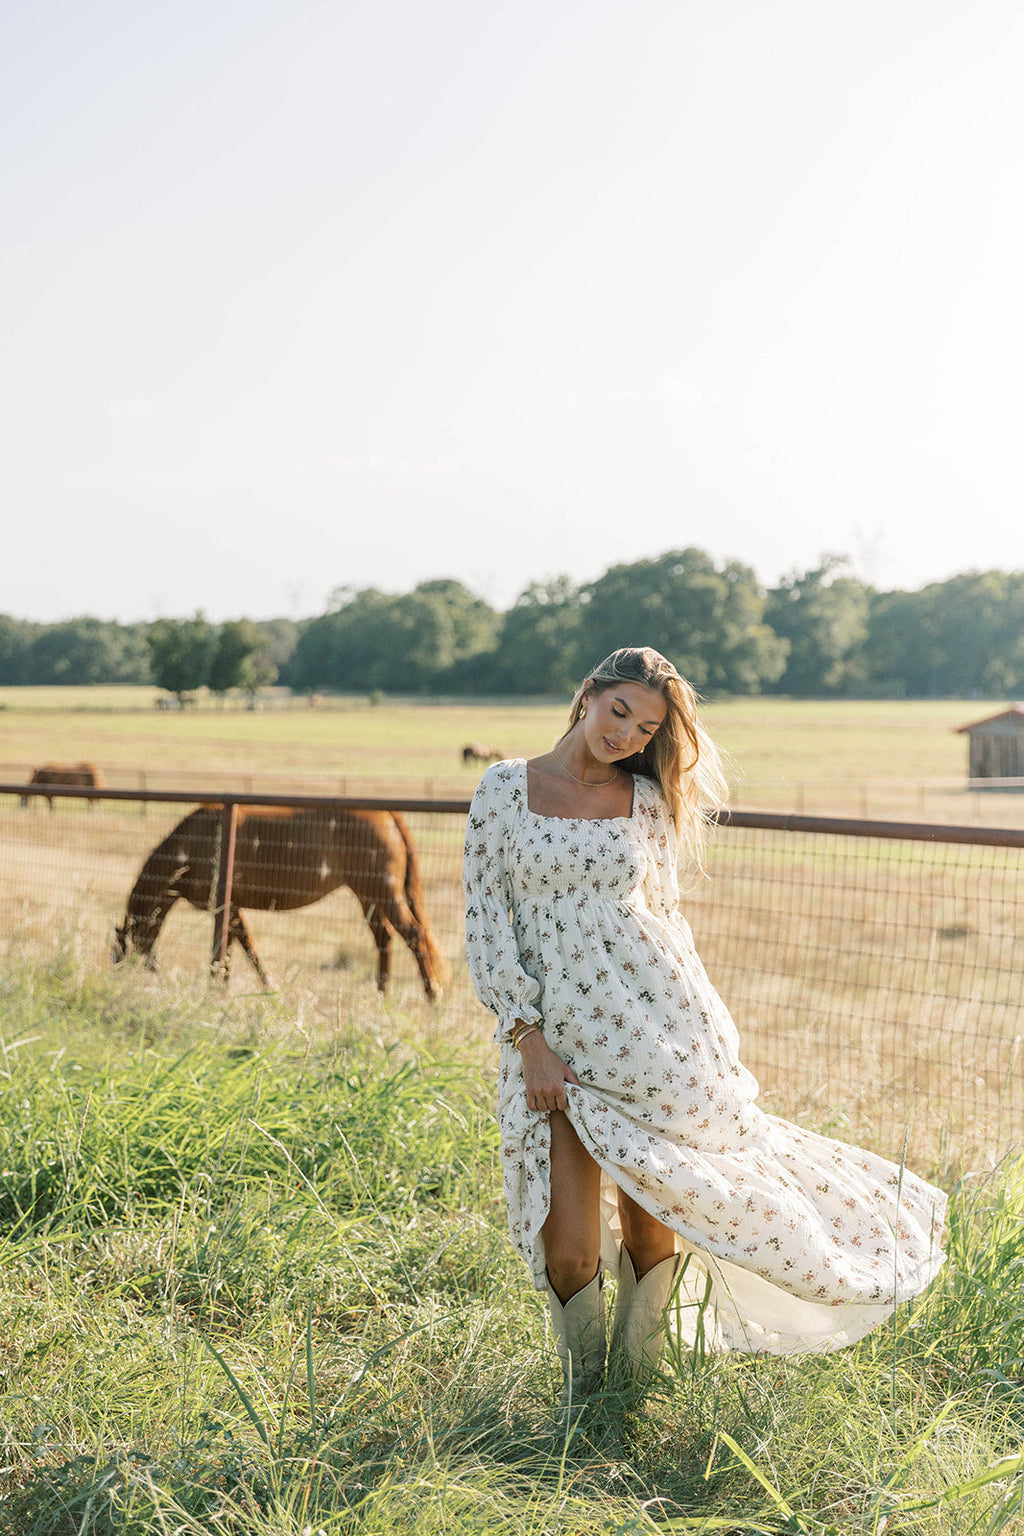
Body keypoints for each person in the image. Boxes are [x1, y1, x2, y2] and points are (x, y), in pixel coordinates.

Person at [463, 646, 946, 1407]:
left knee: (655, 1228)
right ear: (588, 694)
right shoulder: (503, 788)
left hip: (652, 1038)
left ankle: (631, 1397)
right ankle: (582, 1402)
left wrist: (706, 1037)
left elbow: (664, 921)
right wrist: (529, 1040)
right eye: (619, 710)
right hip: (556, 1047)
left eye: (645, 728)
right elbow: (487, 922)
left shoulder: (646, 802)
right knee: (569, 1252)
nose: (625, 733)